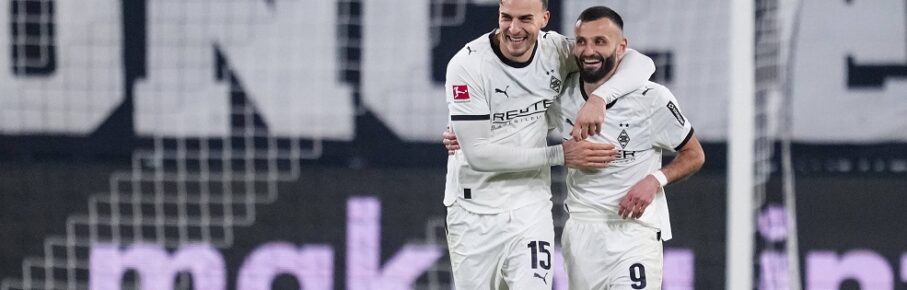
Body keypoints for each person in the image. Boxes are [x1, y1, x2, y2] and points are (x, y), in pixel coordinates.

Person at [443, 0, 656, 289]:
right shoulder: (467, 65)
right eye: (507, 18)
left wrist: (599, 98)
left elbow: (641, 62)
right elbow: (479, 155)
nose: (514, 29)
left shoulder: (555, 51)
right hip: (472, 211)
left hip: (529, 208)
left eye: (525, 19)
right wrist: (561, 154)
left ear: (544, 18)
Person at [556, 6, 705, 289]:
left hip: (635, 232)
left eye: (600, 41)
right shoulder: (562, 94)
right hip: (582, 231)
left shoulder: (652, 98)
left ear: (621, 47)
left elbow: (694, 154)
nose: (589, 51)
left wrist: (655, 179)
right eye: (582, 41)